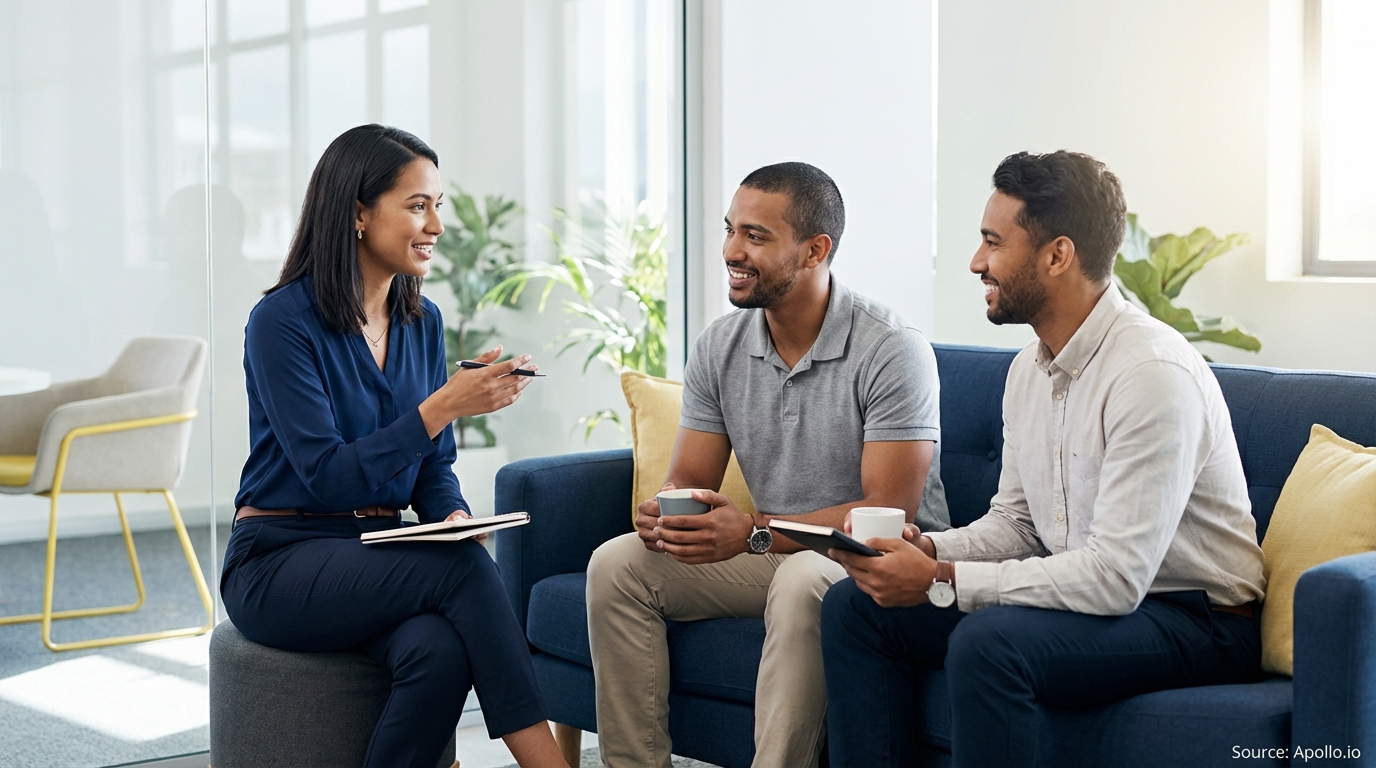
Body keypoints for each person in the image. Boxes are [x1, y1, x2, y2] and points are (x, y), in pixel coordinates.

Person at [820, 150, 1267, 767]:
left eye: (992, 242)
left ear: (1058, 255)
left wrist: (945, 581)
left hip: (1194, 617)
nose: (977, 262)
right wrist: (929, 552)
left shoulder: (1150, 373)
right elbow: (1020, 524)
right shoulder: (1028, 371)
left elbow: (1115, 576)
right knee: (855, 607)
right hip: (1100, 596)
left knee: (989, 642)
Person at [218, 124, 567, 768]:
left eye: (438, 204)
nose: (436, 224)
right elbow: (328, 476)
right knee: (461, 573)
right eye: (417, 205)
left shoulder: (421, 321)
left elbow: (434, 468)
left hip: (377, 553)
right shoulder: (281, 323)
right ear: (357, 211)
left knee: (437, 648)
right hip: (277, 560)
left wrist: (452, 517)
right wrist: (443, 406)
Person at [586, 161, 951, 768]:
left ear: (815, 250)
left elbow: (886, 514)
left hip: (875, 560)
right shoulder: (721, 345)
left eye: (756, 236)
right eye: (731, 230)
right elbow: (691, 481)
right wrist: (666, 513)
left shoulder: (891, 349)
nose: (732, 250)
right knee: (618, 564)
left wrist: (754, 531)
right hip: (771, 552)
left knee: (802, 579)